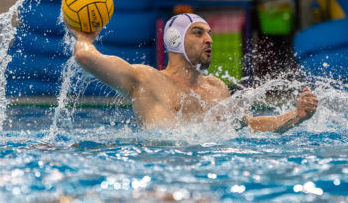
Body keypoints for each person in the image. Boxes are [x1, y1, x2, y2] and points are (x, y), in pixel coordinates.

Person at [69, 13, 318, 132]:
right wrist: (84, 37)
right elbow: (85, 56)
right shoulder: (145, 80)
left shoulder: (216, 88)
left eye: (209, 33)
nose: (209, 40)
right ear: (175, 40)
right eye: (198, 33)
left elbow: (249, 127)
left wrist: (297, 115)